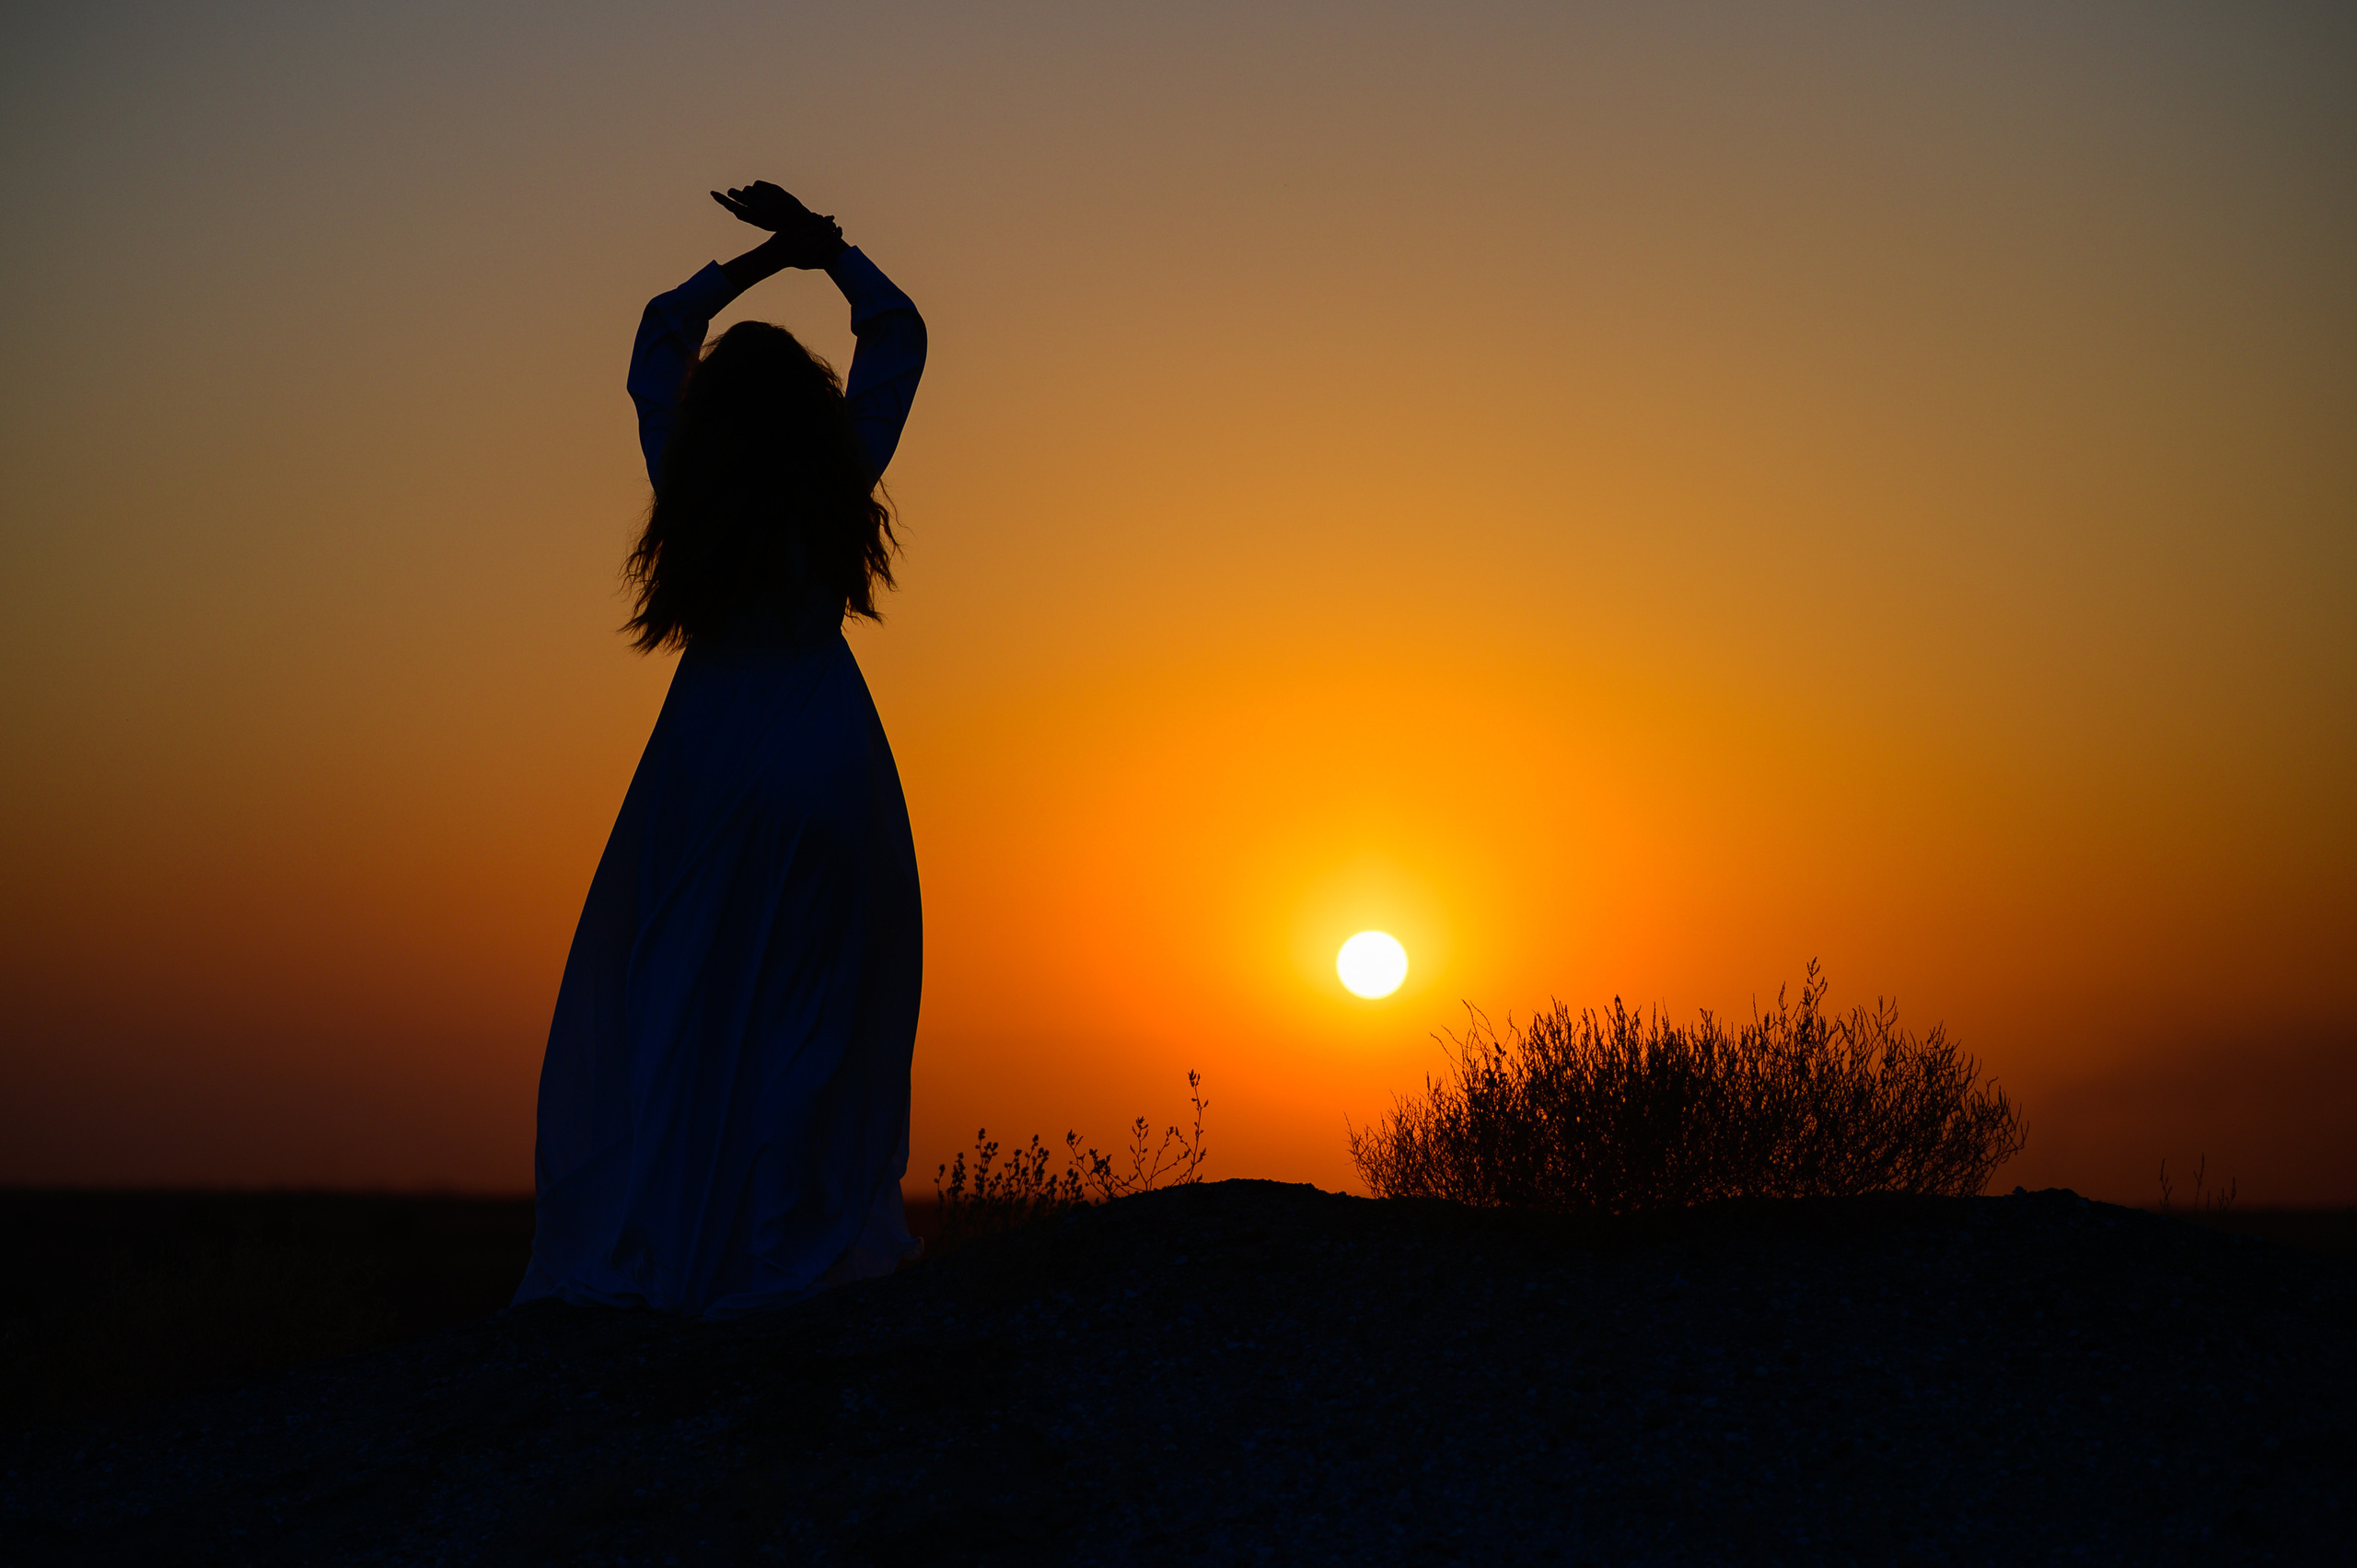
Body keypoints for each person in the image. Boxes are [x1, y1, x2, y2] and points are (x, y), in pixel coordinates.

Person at [513, 182, 927, 1318]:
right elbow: (900, 333)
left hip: (709, 753)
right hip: (825, 743)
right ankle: (794, 1232)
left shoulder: (688, 478)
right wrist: (827, 254)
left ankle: (703, 1237)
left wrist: (758, 264)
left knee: (688, 989)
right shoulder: (838, 471)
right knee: (817, 999)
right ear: (804, 407)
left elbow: (658, 334)